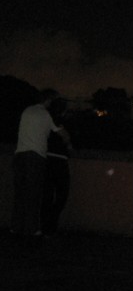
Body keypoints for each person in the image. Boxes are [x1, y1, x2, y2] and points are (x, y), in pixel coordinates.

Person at [11, 89, 68, 240]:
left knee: (20, 193)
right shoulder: (45, 114)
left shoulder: (27, 111)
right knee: (34, 194)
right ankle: (31, 229)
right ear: (48, 100)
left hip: (19, 155)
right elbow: (59, 132)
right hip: (35, 156)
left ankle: (16, 227)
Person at [41, 98, 73, 236]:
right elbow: (67, 140)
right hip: (59, 161)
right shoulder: (64, 123)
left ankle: (45, 224)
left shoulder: (46, 120)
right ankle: (51, 223)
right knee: (62, 194)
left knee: (47, 194)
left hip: (47, 160)